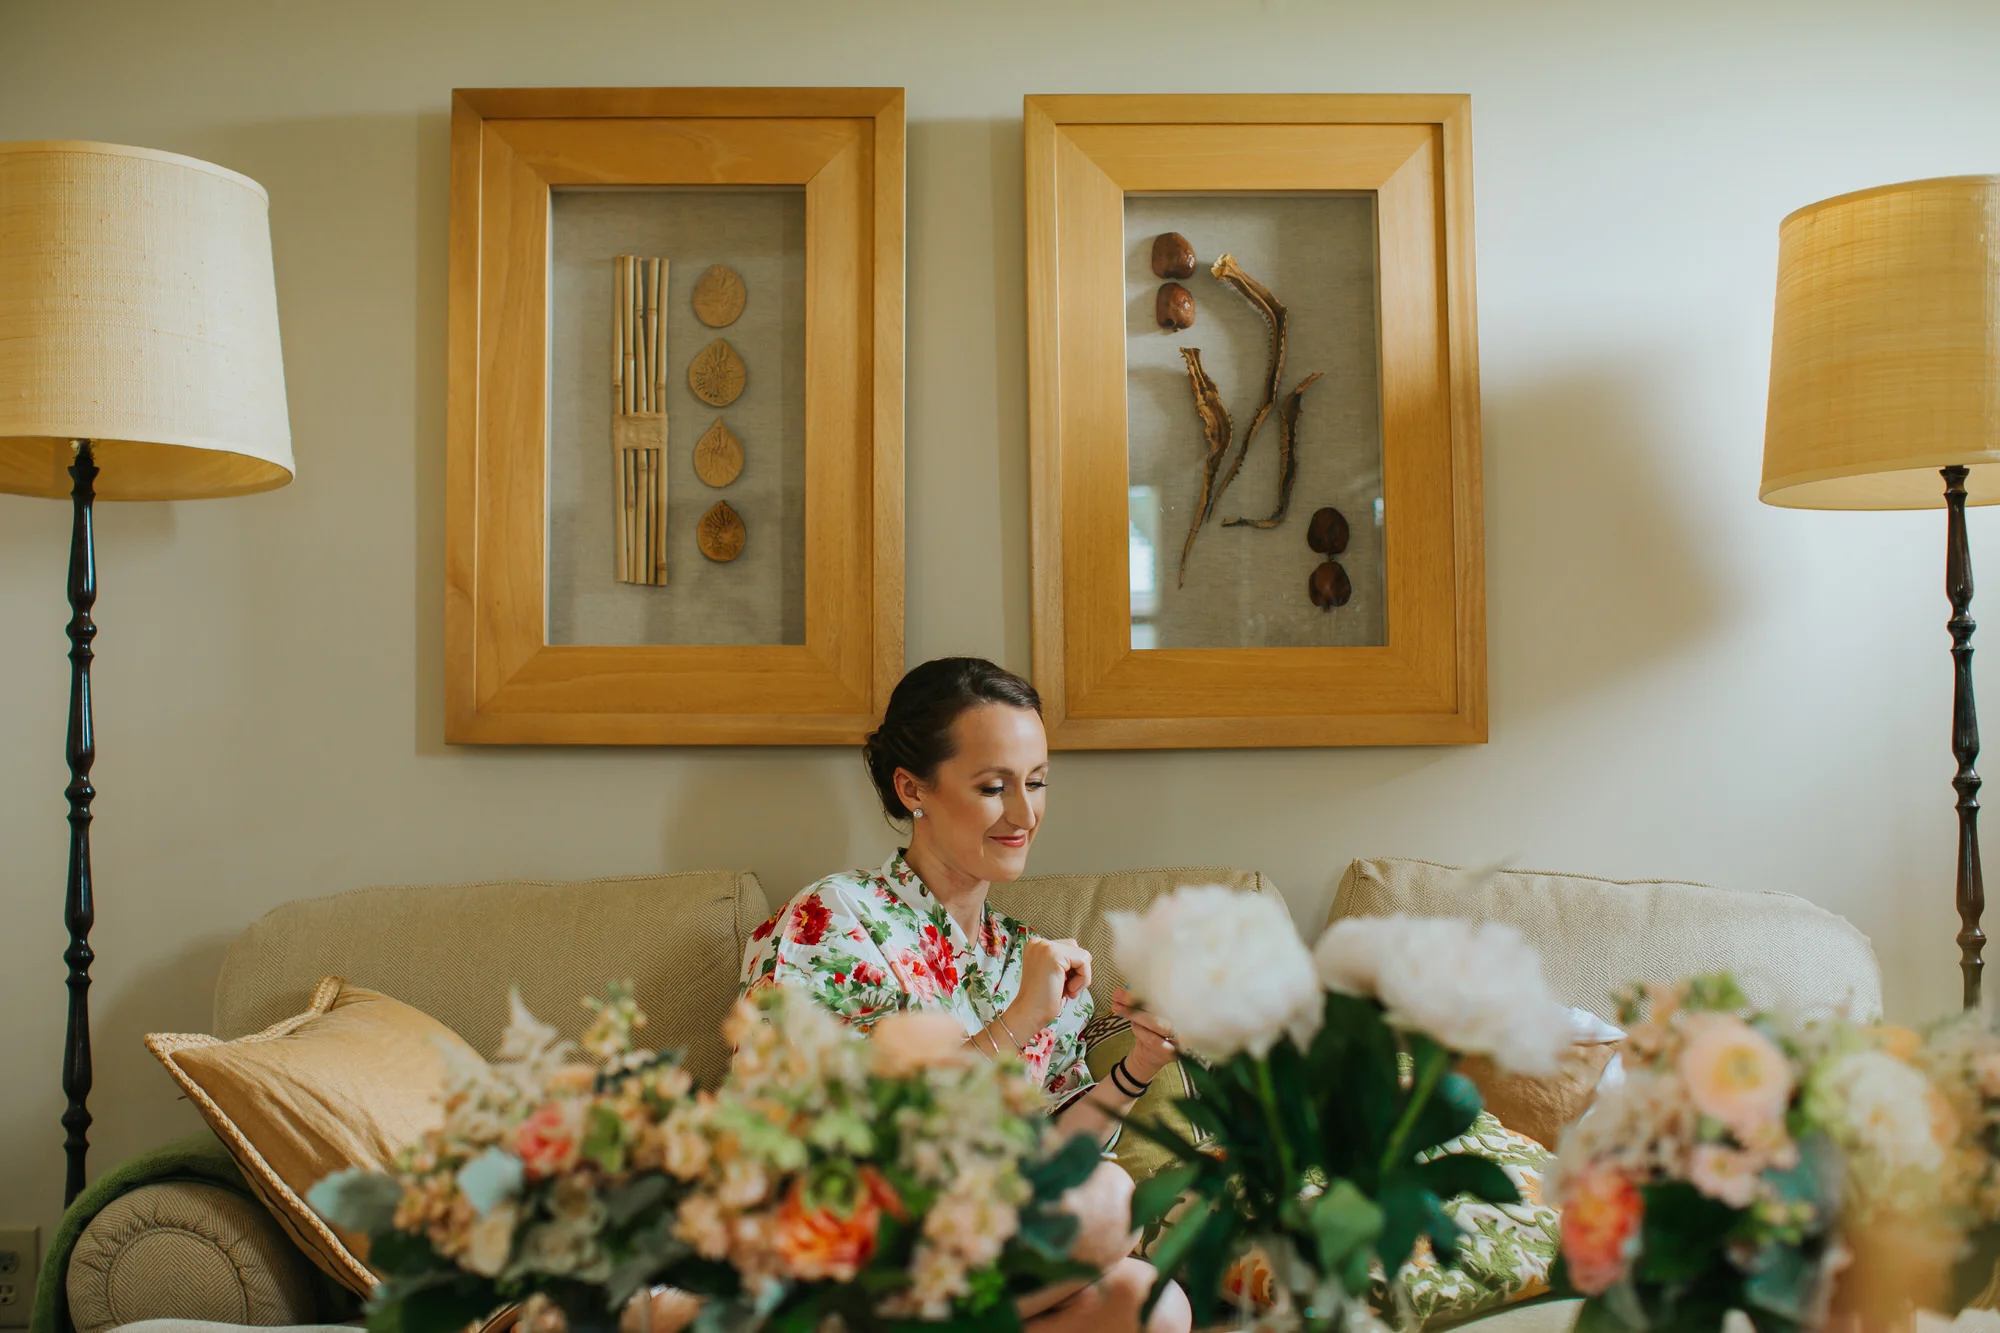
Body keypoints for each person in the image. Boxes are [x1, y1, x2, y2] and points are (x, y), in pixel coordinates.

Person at [740, 657, 1191, 1333]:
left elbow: (1052, 1159)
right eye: (992, 786)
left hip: (976, 1254)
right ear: (912, 788)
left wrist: (1139, 1068)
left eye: (1036, 782)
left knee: (1149, 1303)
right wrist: (1019, 1019)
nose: (1024, 813)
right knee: (1109, 1200)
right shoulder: (833, 918)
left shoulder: (1026, 956)